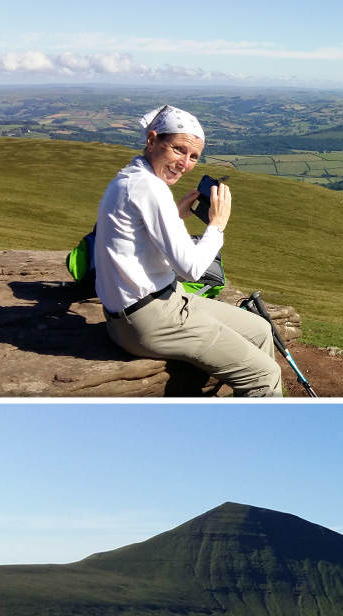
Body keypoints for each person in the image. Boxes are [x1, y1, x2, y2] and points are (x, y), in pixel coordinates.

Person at [93, 105, 283, 397]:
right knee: (265, 373)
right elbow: (192, 269)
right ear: (152, 140)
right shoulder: (149, 188)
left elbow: (135, 239)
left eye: (193, 156)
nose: (185, 163)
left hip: (155, 303)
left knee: (260, 330)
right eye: (179, 149)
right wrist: (217, 225)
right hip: (149, 317)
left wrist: (176, 215)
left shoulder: (132, 177)